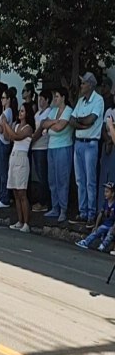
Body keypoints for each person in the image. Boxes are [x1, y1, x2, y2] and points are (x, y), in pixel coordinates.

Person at [69, 72, 105, 228]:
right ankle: (82, 212)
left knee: (90, 180)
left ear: (90, 84)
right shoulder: (81, 101)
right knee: (80, 180)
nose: (81, 86)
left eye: (83, 83)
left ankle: (91, 214)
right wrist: (83, 124)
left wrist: (81, 122)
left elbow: (92, 120)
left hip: (91, 143)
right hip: (79, 142)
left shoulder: (98, 100)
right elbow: (72, 120)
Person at [40, 87, 74, 223]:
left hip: (63, 147)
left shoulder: (68, 111)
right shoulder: (54, 111)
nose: (55, 99)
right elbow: (44, 123)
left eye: (57, 96)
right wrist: (54, 122)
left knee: (62, 180)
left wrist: (51, 124)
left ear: (63, 98)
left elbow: (60, 128)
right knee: (52, 179)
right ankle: (55, 207)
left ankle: (63, 209)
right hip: (52, 147)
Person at [6, 104, 34, 232]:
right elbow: (9, 136)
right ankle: (20, 220)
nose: (20, 113)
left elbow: (17, 136)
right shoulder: (16, 126)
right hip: (14, 156)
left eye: (22, 111)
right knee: (15, 192)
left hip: (22, 157)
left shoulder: (28, 128)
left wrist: (6, 125)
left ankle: (26, 223)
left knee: (22, 192)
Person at [75, 182, 115, 251]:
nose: (105, 193)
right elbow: (100, 214)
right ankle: (86, 242)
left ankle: (103, 245)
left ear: (113, 193)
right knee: (97, 231)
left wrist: (114, 227)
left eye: (107, 192)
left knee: (110, 234)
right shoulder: (105, 202)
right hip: (105, 224)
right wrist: (96, 226)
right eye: (105, 191)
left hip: (112, 225)